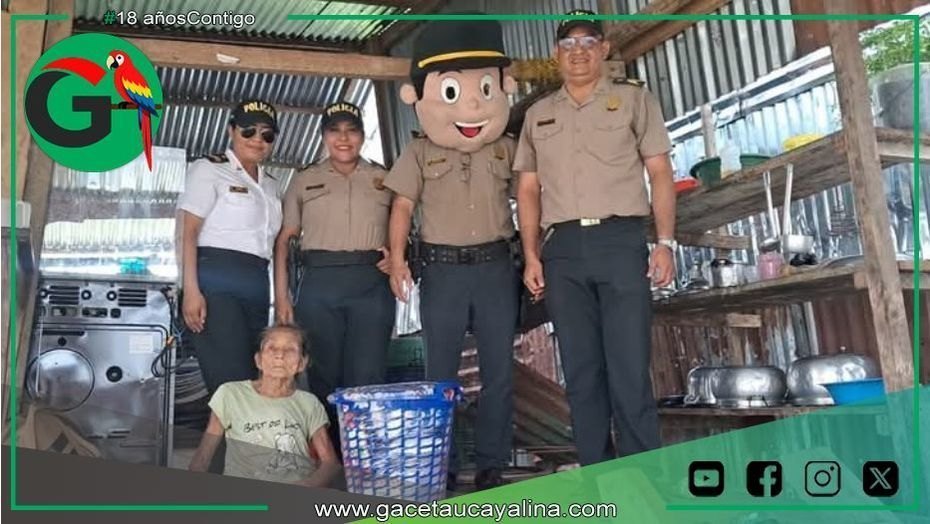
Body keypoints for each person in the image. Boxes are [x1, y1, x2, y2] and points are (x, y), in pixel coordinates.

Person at [513, 10, 677, 465]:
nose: (578, 52)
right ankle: (598, 474)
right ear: (556, 54)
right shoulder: (538, 115)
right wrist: (532, 256)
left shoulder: (633, 100)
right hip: (562, 250)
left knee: (629, 368)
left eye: (588, 42)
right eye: (569, 44)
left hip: (620, 242)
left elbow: (660, 173)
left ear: (604, 49)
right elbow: (527, 190)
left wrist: (665, 243)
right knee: (582, 372)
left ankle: (645, 476)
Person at [384, 16, 519, 491]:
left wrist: (537, 255)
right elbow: (402, 206)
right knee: (439, 373)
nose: (471, 104)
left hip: (497, 267)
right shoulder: (419, 153)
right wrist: (397, 260)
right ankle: (440, 463)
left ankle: (491, 464)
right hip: (441, 272)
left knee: (499, 371)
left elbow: (534, 197)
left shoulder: (507, 148)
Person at [274, 101, 394, 452]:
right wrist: (281, 297)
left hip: (371, 283)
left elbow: (403, 229)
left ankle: (363, 456)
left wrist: (398, 257)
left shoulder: (385, 178)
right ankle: (329, 458)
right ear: (324, 136)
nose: (343, 138)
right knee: (323, 374)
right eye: (335, 131)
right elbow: (284, 240)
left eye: (351, 130)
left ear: (362, 136)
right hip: (319, 283)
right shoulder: (304, 179)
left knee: (368, 375)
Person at [177, 99, 282, 395]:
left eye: (267, 134)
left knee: (252, 378)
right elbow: (187, 232)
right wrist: (191, 290)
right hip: (216, 281)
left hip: (257, 283)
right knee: (229, 382)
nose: (257, 140)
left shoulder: (271, 184)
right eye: (248, 131)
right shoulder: (209, 169)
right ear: (231, 131)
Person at [188, 324, 340, 486]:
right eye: (272, 348)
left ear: (302, 363)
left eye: (290, 350)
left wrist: (305, 486)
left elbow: (330, 464)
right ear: (258, 360)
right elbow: (204, 455)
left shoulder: (309, 402)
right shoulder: (230, 394)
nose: (280, 355)